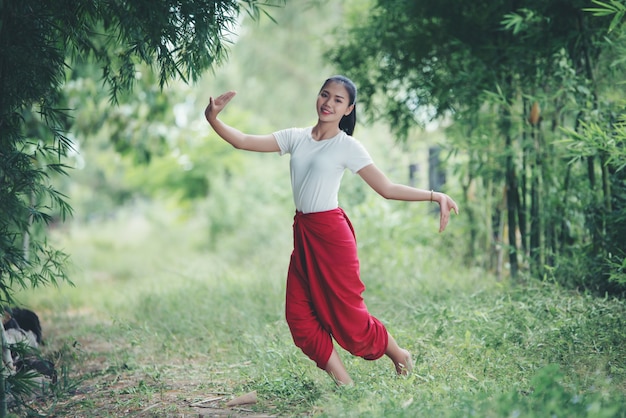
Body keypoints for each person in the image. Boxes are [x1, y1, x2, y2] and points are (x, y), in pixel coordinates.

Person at [204, 75, 459, 386]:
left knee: (349, 320)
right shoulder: (296, 137)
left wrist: (436, 196)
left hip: (333, 237)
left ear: (348, 109)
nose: (328, 103)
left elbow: (388, 188)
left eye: (338, 100)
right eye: (325, 95)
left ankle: (400, 355)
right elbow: (241, 140)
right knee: (298, 315)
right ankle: (344, 383)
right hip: (305, 235)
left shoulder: (347, 146)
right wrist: (213, 119)